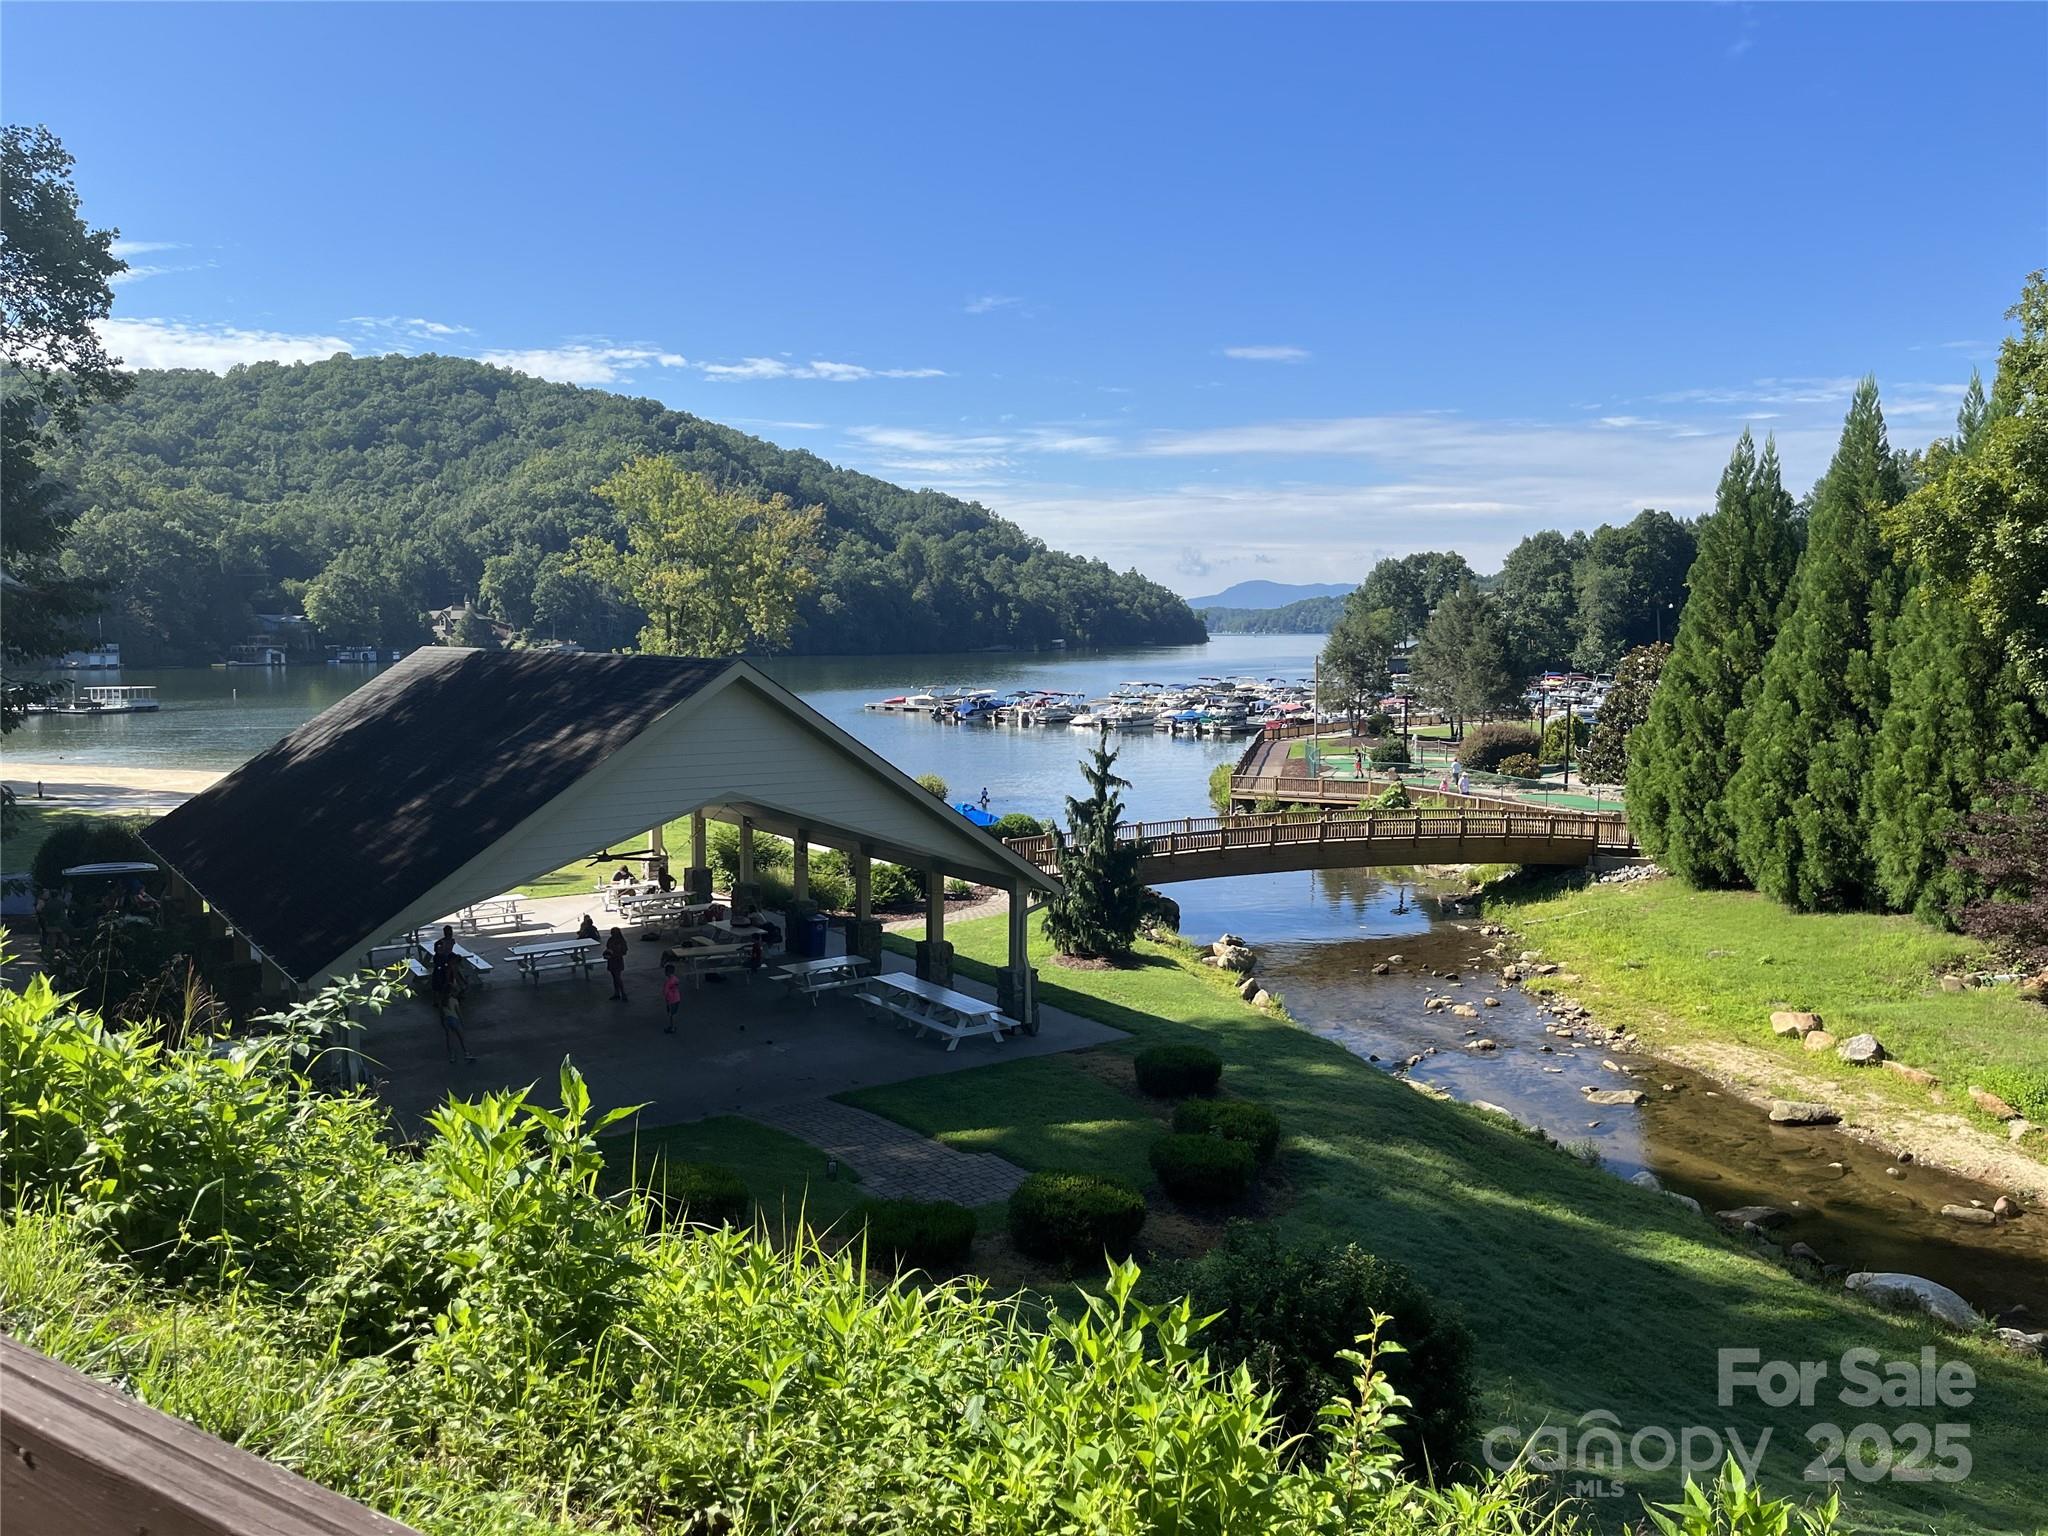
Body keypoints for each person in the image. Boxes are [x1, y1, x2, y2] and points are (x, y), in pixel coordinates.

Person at [438, 985, 475, 1065]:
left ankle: (452, 1056)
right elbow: (458, 1012)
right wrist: (462, 1021)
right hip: (454, 1019)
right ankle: (466, 1053)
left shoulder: (442, 1001)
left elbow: (441, 1013)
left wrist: (442, 1022)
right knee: (461, 1038)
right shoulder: (454, 1000)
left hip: (446, 1020)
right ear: (452, 992)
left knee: (449, 1039)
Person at [604, 926, 629, 1001]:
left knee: (617, 977)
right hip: (612, 960)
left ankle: (622, 993)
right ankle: (617, 993)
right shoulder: (613, 940)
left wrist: (614, 954)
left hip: (617, 960)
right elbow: (608, 948)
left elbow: (624, 952)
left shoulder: (620, 941)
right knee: (614, 978)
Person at [661, 962, 682, 1034]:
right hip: (677, 998)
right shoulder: (675, 978)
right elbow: (678, 983)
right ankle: (673, 1025)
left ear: (667, 972)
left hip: (671, 1000)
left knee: (671, 1014)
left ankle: (672, 1027)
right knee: (674, 1013)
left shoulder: (668, 982)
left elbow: (665, 992)